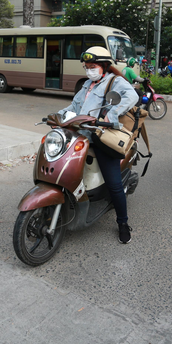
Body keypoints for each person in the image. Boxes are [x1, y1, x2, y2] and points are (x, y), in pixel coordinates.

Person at [58, 46, 138, 244]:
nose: (88, 70)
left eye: (92, 67)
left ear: (103, 66)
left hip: (100, 137)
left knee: (114, 184)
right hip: (79, 136)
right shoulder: (87, 84)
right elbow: (74, 106)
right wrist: (58, 115)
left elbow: (132, 97)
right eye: (86, 67)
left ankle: (122, 223)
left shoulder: (115, 81)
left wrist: (107, 115)